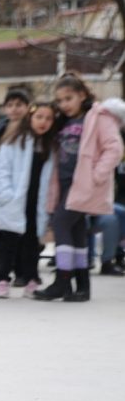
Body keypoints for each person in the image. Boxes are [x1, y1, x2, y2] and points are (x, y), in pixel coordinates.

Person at [34, 74, 125, 302]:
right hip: (65, 185)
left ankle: (62, 281)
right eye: (60, 100)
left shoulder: (98, 117)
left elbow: (114, 149)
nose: (64, 104)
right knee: (76, 232)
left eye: (69, 98)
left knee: (61, 223)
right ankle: (82, 286)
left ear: (82, 95)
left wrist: (96, 176)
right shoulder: (64, 121)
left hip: (84, 186)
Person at [0, 101, 56, 298]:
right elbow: (2, 169)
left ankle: (31, 278)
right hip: (14, 201)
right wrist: (5, 194)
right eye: (39, 117)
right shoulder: (14, 141)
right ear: (30, 118)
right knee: (7, 243)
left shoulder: (51, 146)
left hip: (36, 203)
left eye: (48, 118)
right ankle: (1, 279)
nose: (43, 122)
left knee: (32, 243)